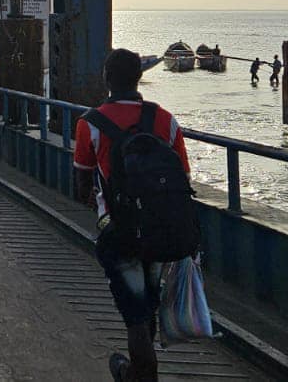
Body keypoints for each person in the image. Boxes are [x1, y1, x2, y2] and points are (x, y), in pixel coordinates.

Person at [73, 49, 196, 382]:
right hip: (161, 229)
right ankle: (140, 369)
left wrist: (96, 204)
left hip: (119, 231)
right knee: (149, 302)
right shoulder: (165, 119)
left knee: (135, 317)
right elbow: (183, 178)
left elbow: (82, 184)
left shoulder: (90, 123)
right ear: (139, 77)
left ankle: (140, 373)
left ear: (107, 79)